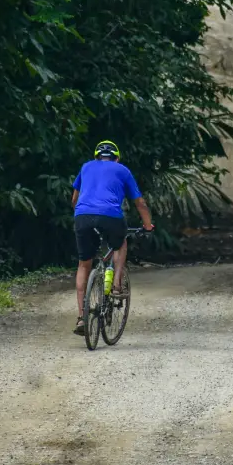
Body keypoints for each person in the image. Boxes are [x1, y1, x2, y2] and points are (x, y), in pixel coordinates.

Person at [71, 140, 153, 334]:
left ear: (96, 156)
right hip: (111, 216)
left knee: (84, 263)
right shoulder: (122, 170)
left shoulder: (86, 167)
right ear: (116, 158)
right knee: (120, 243)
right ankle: (116, 285)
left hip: (83, 216)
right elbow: (140, 202)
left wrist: (83, 217)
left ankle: (81, 318)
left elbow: (74, 200)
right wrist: (148, 225)